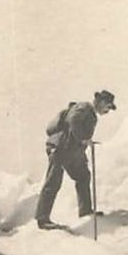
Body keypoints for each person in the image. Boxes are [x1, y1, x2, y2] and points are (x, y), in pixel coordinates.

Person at [36, 89, 116, 231]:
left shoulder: (91, 114)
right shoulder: (84, 107)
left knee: (83, 176)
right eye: (108, 107)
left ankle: (85, 211)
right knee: (53, 181)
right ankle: (42, 220)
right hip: (60, 147)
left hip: (71, 151)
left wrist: (84, 143)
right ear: (102, 102)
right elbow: (73, 121)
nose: (108, 111)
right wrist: (84, 139)